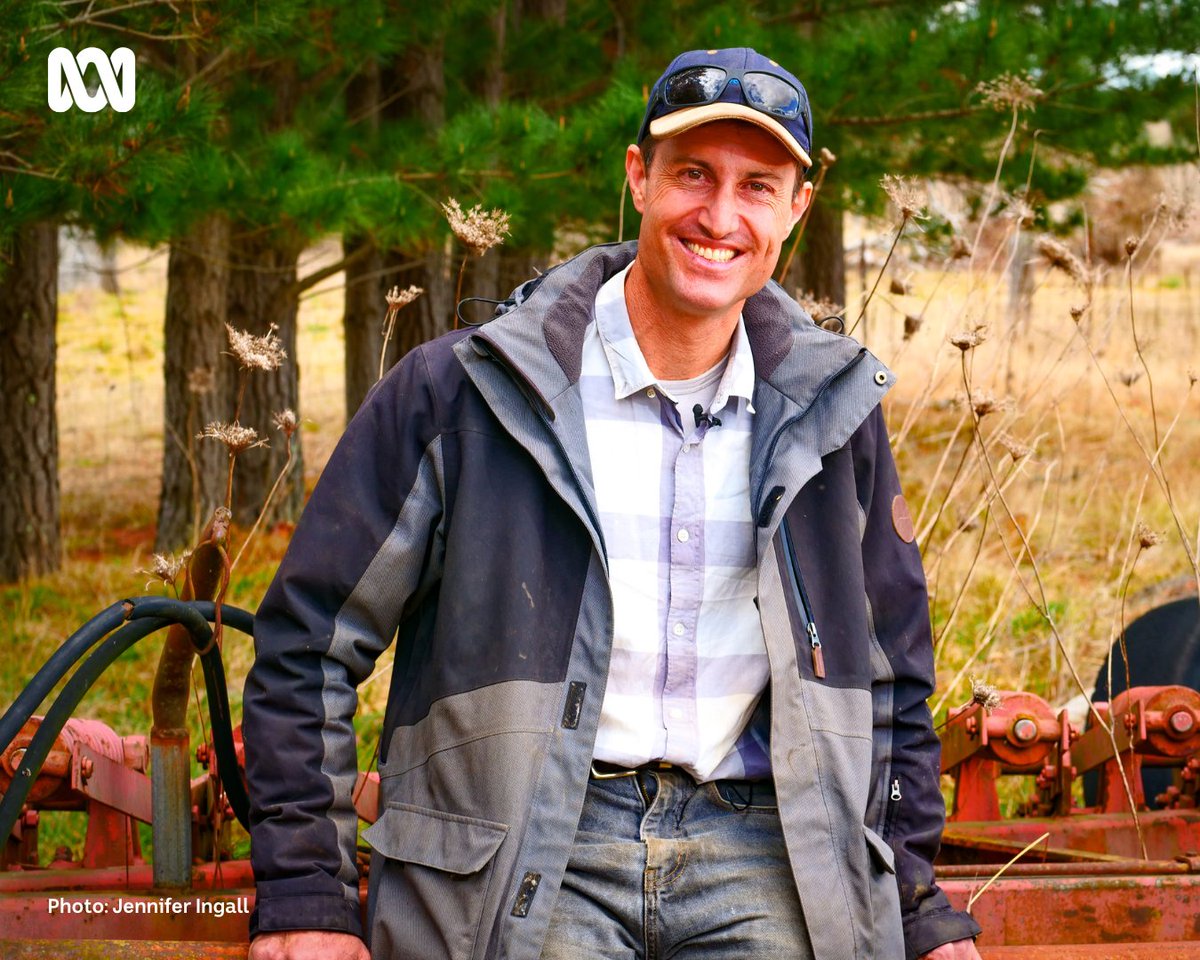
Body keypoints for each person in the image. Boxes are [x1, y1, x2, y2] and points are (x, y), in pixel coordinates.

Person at [244, 47, 982, 960]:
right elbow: (306, 641)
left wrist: (916, 904)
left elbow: (893, 682)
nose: (719, 217)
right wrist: (308, 893)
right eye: (693, 176)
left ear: (797, 208)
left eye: (757, 186)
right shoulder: (465, 392)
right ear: (638, 178)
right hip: (528, 844)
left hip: (762, 852)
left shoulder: (831, 418)